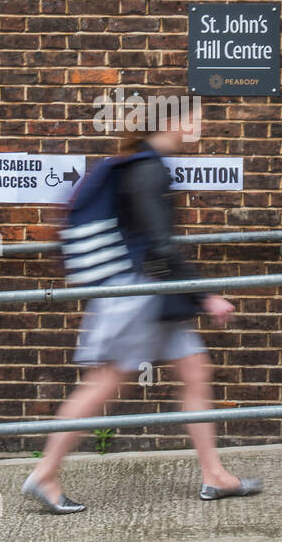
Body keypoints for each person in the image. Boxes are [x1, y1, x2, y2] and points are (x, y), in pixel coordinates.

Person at [22, 96, 262, 514]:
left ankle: (214, 475)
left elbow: (160, 249)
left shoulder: (146, 166)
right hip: (137, 298)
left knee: (195, 371)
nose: (199, 127)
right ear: (170, 122)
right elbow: (162, 247)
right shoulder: (148, 171)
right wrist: (206, 296)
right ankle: (45, 473)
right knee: (103, 384)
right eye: (194, 119)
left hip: (154, 297)